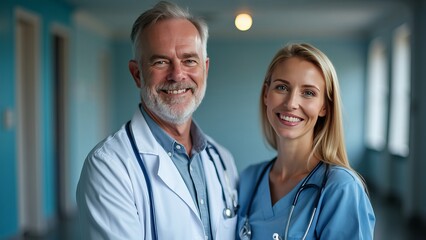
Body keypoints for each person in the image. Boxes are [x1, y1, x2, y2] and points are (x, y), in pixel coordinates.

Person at [76, 1, 239, 239]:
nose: (177, 75)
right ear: (137, 74)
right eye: (160, 62)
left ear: (205, 68)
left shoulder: (222, 159)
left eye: (189, 61)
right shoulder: (108, 167)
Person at [237, 43, 375, 240]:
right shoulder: (249, 180)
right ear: (266, 94)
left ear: (324, 107)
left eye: (308, 92)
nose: (291, 103)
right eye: (282, 87)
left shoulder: (341, 187)